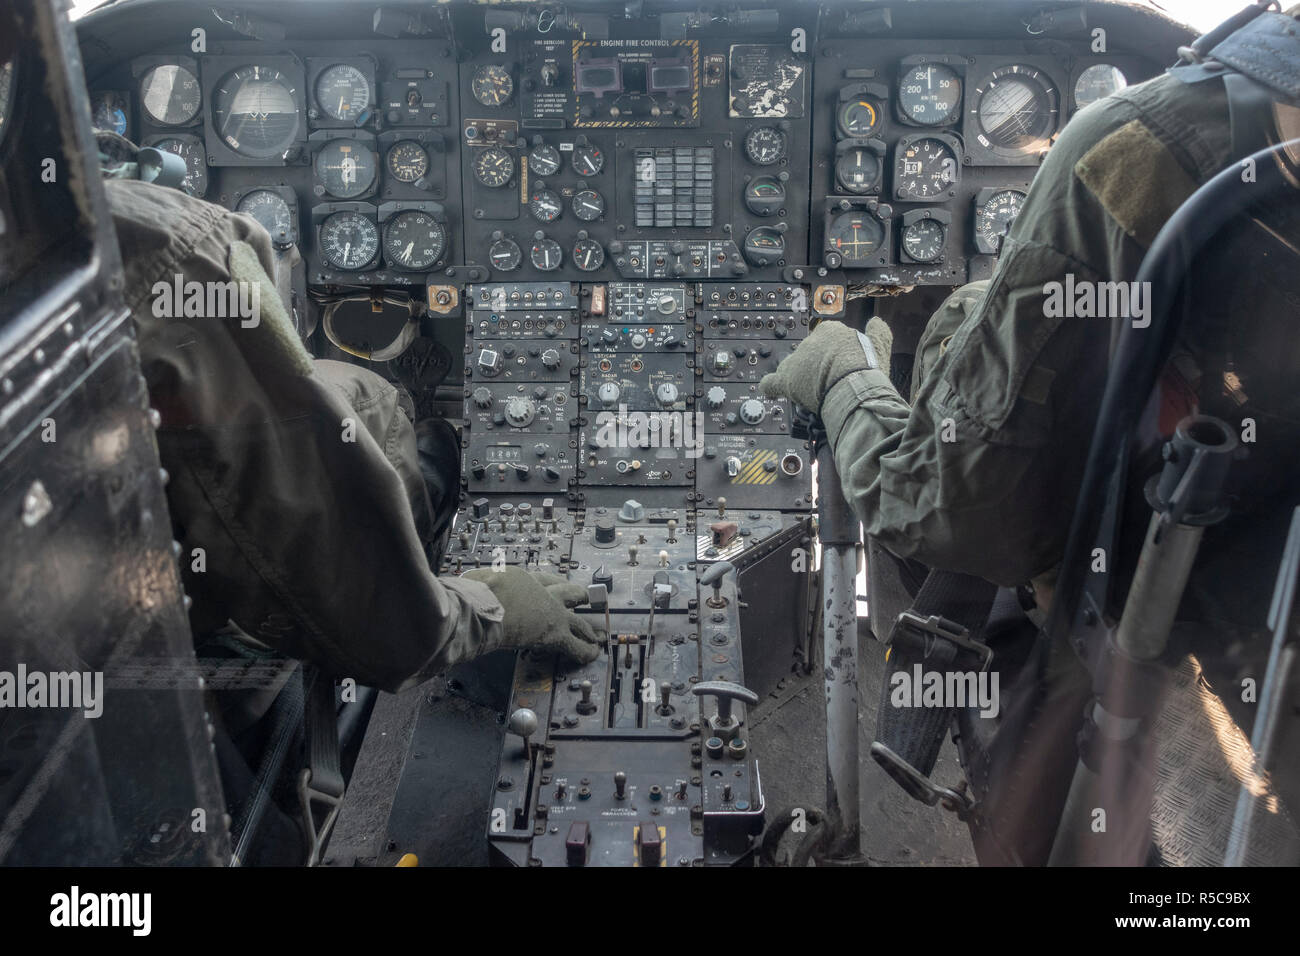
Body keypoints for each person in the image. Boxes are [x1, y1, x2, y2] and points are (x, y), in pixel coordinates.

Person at [760, 6, 1300, 864]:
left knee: (970, 353)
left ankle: (1024, 784)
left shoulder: (1144, 146)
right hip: (1258, 592)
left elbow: (959, 515)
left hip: (1192, 572)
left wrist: (845, 381)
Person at [104, 170, 601, 694]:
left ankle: (404, 523)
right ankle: (412, 549)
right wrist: (493, 607)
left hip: (101, 576)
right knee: (367, 394)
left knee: (335, 394)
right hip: (148, 596)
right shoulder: (172, 242)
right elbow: (393, 639)